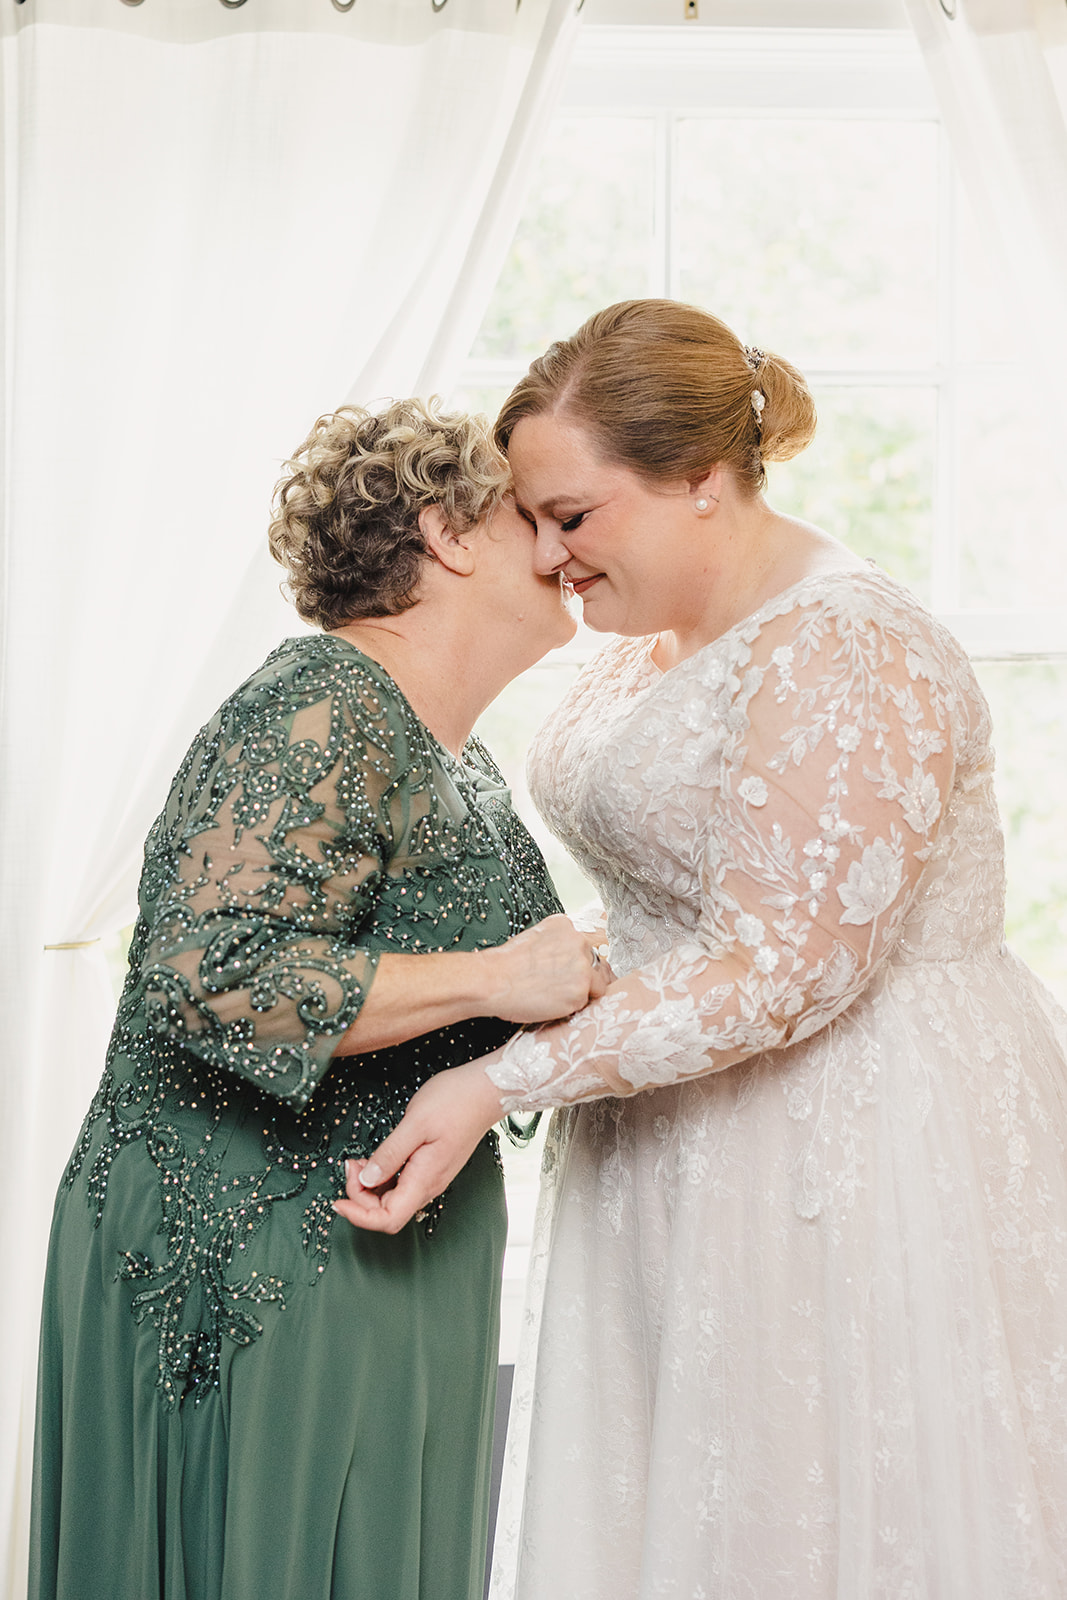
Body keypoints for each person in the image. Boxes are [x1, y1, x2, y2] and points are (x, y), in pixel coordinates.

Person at [337, 302, 1067, 1599]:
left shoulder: (847, 646)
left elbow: (782, 966)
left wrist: (496, 1080)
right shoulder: (656, 635)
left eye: (572, 515)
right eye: (532, 520)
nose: (547, 555)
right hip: (673, 1124)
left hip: (840, 1134)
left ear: (699, 478)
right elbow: (684, 900)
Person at [29, 397, 609, 1600]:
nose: (562, 548)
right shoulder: (318, 703)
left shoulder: (459, 755)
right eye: (533, 517)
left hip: (393, 1237)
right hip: (255, 1237)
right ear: (447, 533)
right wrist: (500, 976)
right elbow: (212, 972)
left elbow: (518, 985)